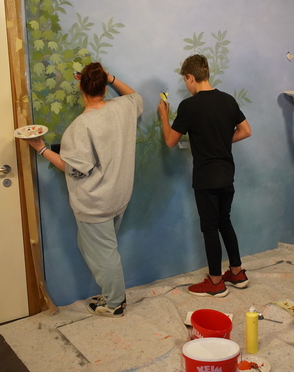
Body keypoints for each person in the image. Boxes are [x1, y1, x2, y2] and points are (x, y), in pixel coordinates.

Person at [23, 62, 143, 317]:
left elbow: (72, 169)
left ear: (81, 87)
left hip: (96, 201)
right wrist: (110, 77)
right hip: (119, 195)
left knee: (104, 254)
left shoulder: (81, 126)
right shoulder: (123, 108)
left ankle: (115, 304)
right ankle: (112, 294)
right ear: (104, 86)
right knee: (98, 248)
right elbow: (134, 96)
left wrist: (40, 148)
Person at [157, 54, 252, 297]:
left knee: (210, 228)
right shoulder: (228, 100)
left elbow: (170, 141)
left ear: (190, 77)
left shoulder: (190, 106)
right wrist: (221, 142)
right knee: (225, 221)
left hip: (206, 177)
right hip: (227, 174)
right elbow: (245, 131)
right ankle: (237, 272)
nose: (186, 85)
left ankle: (216, 282)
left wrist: (164, 117)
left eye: (185, 80)